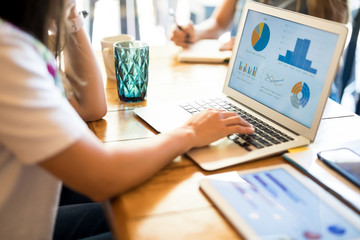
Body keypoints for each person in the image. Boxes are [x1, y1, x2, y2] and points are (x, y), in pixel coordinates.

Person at [0, 0, 255, 240]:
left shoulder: (17, 42)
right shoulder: (8, 54)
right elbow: (101, 176)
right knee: (157, 226)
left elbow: (90, 108)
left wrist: (70, 14)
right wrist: (189, 133)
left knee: (141, 210)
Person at [170, 0, 349, 51]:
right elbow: (219, 23)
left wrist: (254, 49)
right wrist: (194, 33)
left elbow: (327, 50)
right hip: (247, 80)